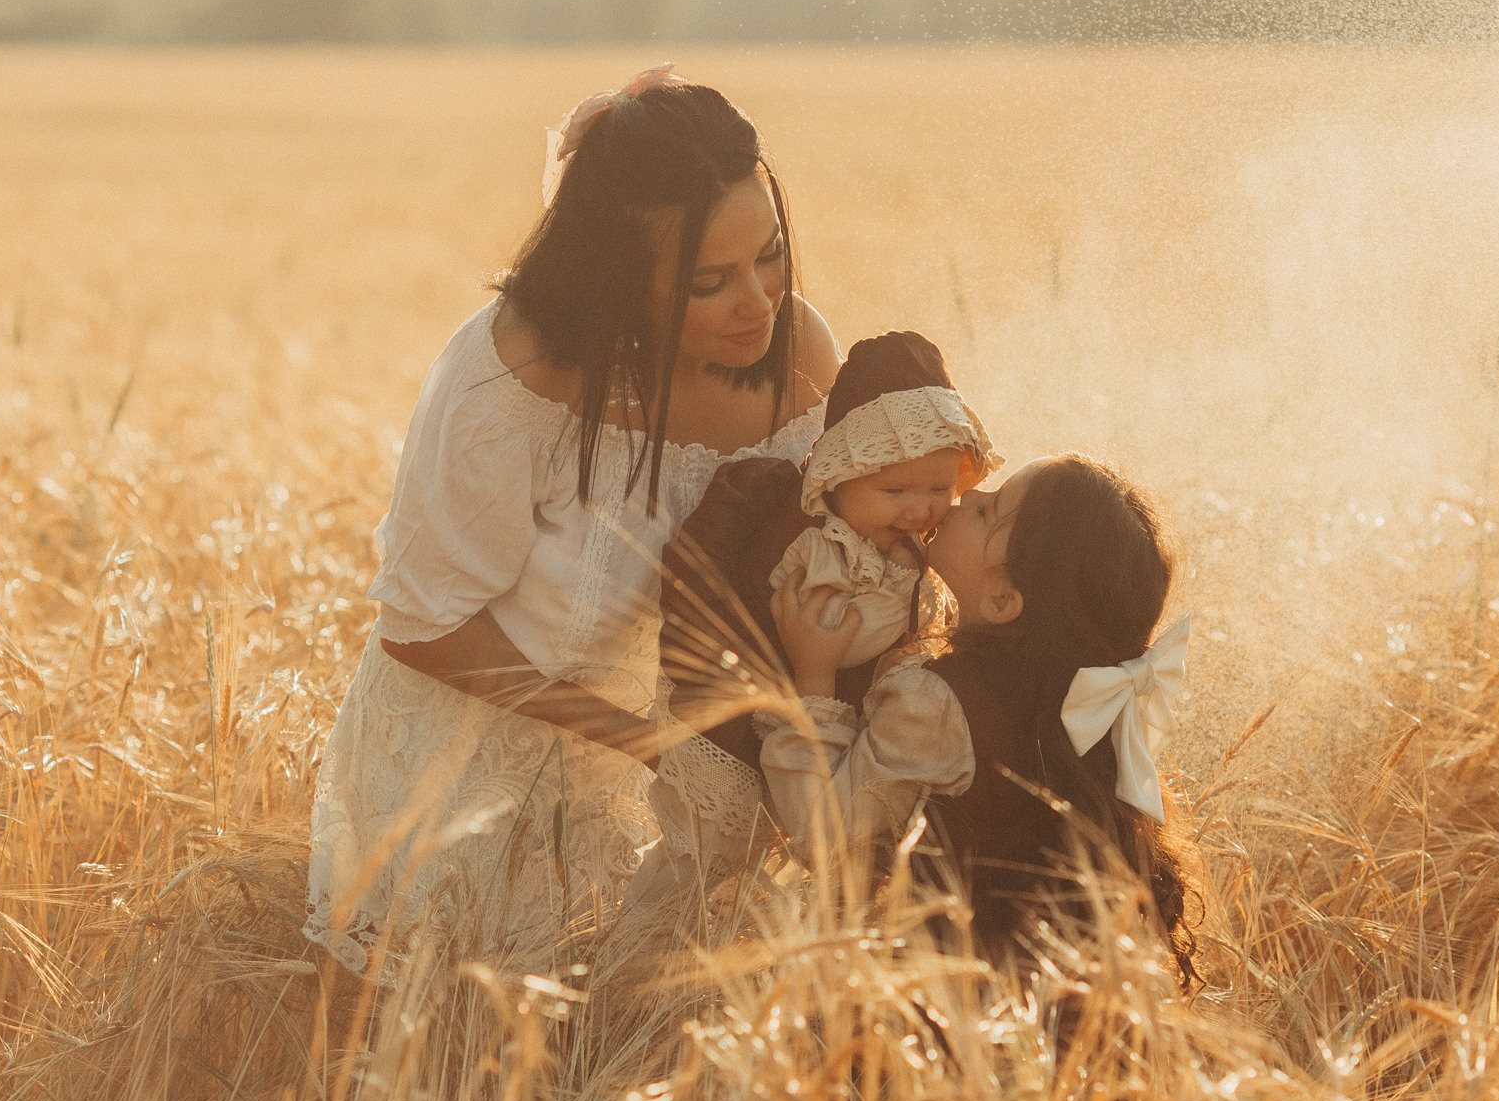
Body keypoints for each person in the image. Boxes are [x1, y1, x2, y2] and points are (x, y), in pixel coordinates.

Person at [303, 64, 842, 975]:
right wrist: (650, 747)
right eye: (710, 281)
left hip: (691, 782)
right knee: (479, 1084)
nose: (758, 301)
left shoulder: (796, 357)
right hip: (476, 780)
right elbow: (422, 627)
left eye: (770, 252)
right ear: (622, 281)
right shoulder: (511, 376)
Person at [762, 453, 1200, 982]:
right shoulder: (1072, 698)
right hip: (1023, 994)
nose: (966, 497)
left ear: (1001, 600)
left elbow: (826, 836)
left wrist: (813, 678)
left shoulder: (939, 701)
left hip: (930, 1000)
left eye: (989, 512)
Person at [633, 330, 1000, 911]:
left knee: (764, 892)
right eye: (895, 489)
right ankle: (630, 971)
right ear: (837, 476)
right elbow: (731, 603)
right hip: (739, 730)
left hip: (819, 750)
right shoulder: (808, 543)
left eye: (938, 488)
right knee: (696, 871)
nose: (920, 509)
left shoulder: (904, 557)